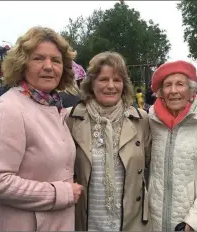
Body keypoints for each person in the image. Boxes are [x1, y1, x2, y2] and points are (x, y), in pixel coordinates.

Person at [0, 26, 83, 231]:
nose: (48, 66)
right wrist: (61, 193)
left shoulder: (52, 106)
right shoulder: (8, 109)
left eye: (56, 60)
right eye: (38, 58)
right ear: (22, 64)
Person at [66, 51, 151, 231]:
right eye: (103, 79)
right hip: (87, 221)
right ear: (91, 84)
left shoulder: (141, 119)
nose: (111, 86)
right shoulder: (71, 118)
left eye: (117, 80)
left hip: (130, 221)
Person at [148, 60, 197, 231]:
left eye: (180, 84)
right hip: (156, 220)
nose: (174, 90)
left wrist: (194, 221)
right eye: (167, 85)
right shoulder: (152, 123)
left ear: (191, 90)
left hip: (195, 223)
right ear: (161, 92)